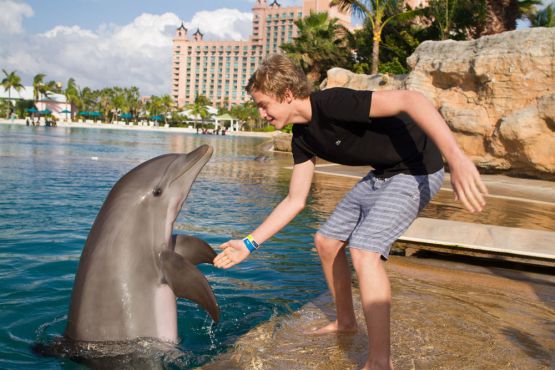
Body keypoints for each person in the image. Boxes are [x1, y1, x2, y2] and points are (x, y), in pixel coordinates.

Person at [213, 54, 487, 370]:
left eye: (264, 105)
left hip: (418, 169)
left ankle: (380, 362)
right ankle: (345, 322)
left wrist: (457, 158)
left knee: (364, 249)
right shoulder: (302, 138)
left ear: (287, 95)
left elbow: (411, 99)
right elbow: (294, 200)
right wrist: (248, 244)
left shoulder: (334, 103)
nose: (261, 113)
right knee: (326, 241)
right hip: (384, 172)